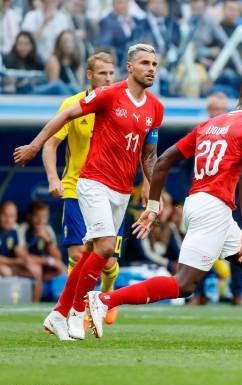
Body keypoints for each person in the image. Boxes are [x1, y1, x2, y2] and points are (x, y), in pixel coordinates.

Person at [86, 74, 242, 349]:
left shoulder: (211, 124)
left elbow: (162, 161)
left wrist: (152, 206)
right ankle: (104, 300)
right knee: (184, 284)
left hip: (198, 202)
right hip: (214, 209)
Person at [14, 43, 164, 341]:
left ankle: (57, 313)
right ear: (130, 68)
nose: (151, 69)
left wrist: (154, 195)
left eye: (155, 64)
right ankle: (77, 311)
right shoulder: (110, 94)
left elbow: (149, 154)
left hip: (122, 191)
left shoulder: (155, 108)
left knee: (91, 252)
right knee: (105, 247)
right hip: (93, 181)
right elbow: (67, 114)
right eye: (145, 63)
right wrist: (34, 145)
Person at [41, 51, 124, 326]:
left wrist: (145, 185)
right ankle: (77, 311)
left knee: (108, 261)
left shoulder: (121, 105)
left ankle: (107, 296)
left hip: (111, 191)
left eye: (111, 73)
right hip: (76, 190)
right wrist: (54, 179)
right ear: (89, 75)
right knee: (78, 254)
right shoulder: (73, 104)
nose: (108, 78)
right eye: (103, 73)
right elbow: (51, 144)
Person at [19, 201, 67, 297]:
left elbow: (58, 256)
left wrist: (47, 240)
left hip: (42, 268)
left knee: (62, 269)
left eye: (44, 217)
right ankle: (35, 303)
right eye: (37, 216)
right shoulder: (24, 228)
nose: (41, 220)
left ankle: (58, 296)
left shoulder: (47, 230)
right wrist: (48, 261)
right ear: (29, 216)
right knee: (37, 269)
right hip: (25, 267)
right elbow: (23, 257)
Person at [0, 201, 43, 302]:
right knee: (5, 270)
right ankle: (8, 302)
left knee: (37, 270)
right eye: (5, 215)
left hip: (10, 266)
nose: (8, 220)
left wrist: (26, 260)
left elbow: (19, 251)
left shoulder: (14, 232)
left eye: (12, 216)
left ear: (16, 218)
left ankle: (35, 306)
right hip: (4, 267)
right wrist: (17, 261)